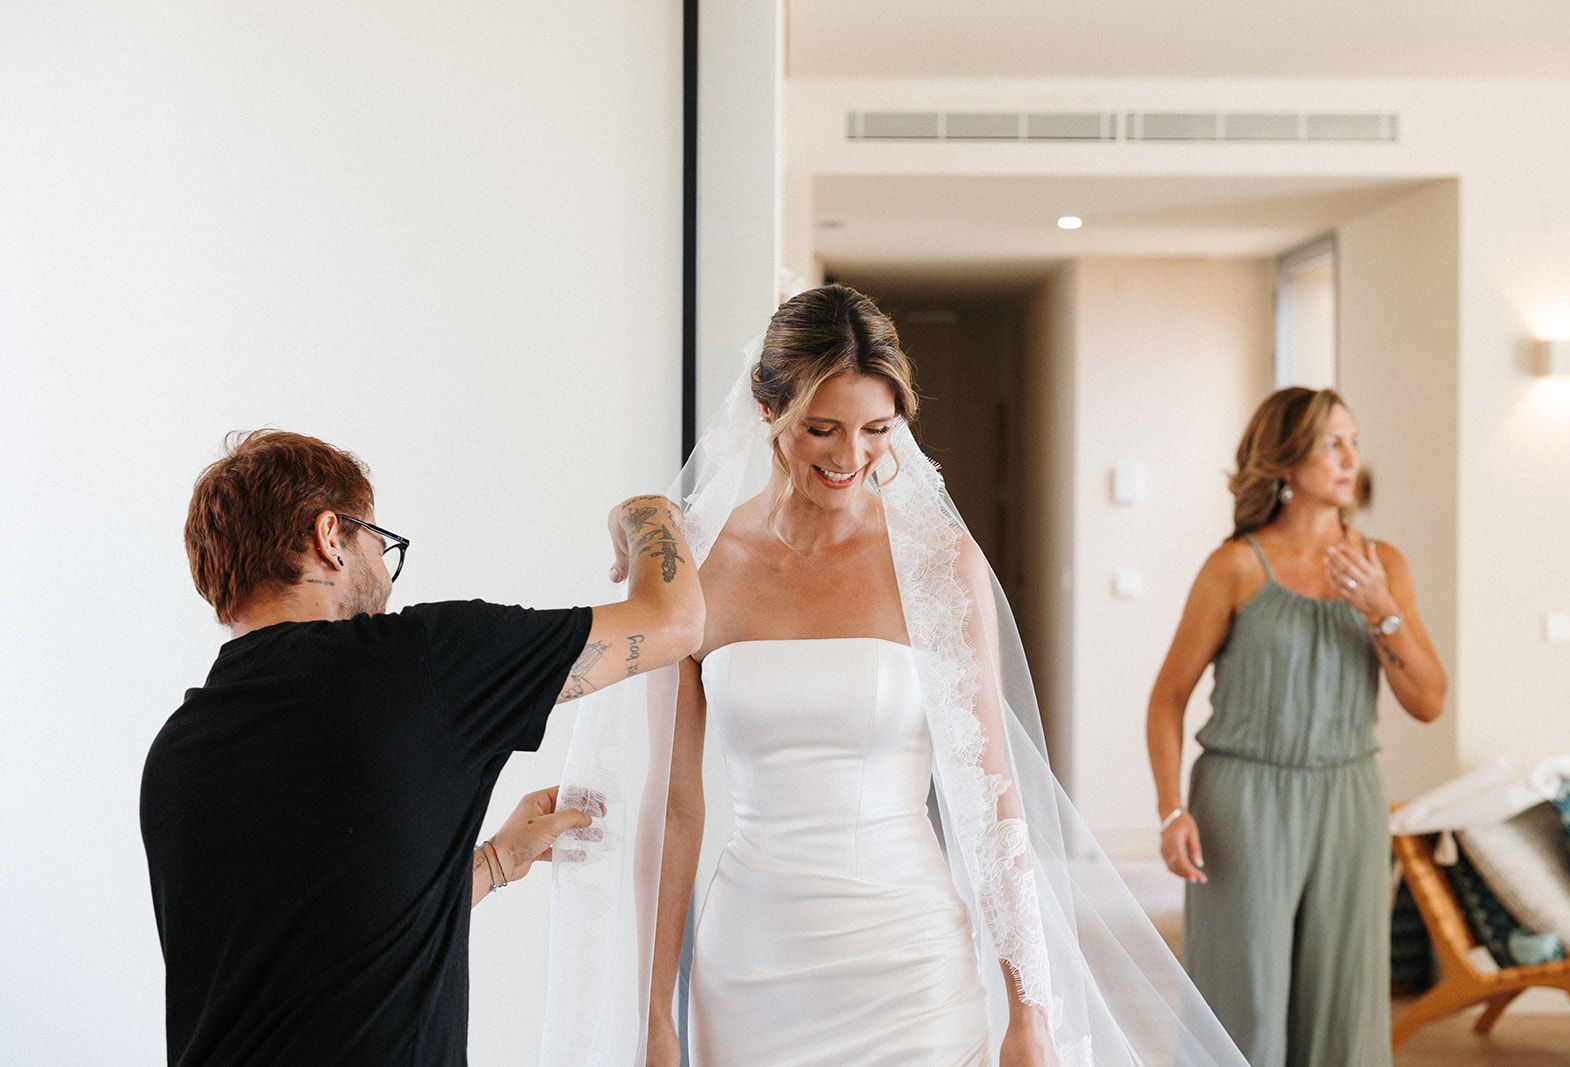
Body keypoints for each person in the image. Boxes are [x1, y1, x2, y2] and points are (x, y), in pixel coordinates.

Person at [607, 285, 1245, 1067]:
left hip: (911, 959)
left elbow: (992, 798)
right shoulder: (699, 564)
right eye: (822, 429)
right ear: (766, 407)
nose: (850, 458)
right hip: (753, 964)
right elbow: (674, 808)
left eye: (877, 430)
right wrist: (651, 1013)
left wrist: (1030, 1010)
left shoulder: (940, 565)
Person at [140, 429, 703, 1065]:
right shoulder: (417, 662)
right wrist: (645, 512)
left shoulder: (178, 752)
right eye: (380, 543)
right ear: (331, 537)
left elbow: (322, 940)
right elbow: (676, 622)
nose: (385, 572)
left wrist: (497, 860)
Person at [1147, 388, 1447, 1066]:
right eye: (1330, 443)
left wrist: (1380, 609)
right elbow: (1167, 698)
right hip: (1241, 799)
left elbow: (1428, 700)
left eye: (1353, 440)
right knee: (1242, 999)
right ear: (1285, 462)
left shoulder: (1385, 565)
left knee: (1344, 1002)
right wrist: (1171, 810)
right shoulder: (1233, 566)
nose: (1350, 458)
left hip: (1349, 797)